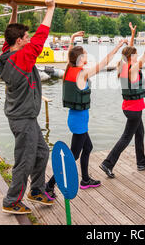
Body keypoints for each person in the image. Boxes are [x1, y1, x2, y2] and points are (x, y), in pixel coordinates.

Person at [45, 31, 128, 194]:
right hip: (79, 122)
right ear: (80, 59)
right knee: (73, 156)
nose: (86, 56)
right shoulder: (82, 74)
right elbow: (104, 62)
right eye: (84, 54)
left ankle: (85, 179)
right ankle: (49, 185)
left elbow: (70, 55)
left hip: (76, 119)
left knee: (88, 147)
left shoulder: (69, 69)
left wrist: (72, 39)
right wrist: (118, 46)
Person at [0, 0, 56, 215]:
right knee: (24, 160)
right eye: (27, 36)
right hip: (23, 119)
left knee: (42, 153)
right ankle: (12, 200)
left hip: (23, 117)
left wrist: (14, 8)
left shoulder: (7, 55)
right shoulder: (21, 59)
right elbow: (41, 37)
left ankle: (37, 190)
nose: (30, 38)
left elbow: (9, 34)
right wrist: (50, 8)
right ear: (21, 41)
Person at [99, 23, 145, 178]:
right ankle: (107, 163)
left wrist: (132, 35)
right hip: (134, 109)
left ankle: (141, 162)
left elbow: (128, 50)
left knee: (140, 133)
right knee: (126, 137)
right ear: (131, 57)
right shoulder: (133, 69)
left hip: (130, 107)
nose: (137, 55)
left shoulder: (123, 65)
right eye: (135, 54)